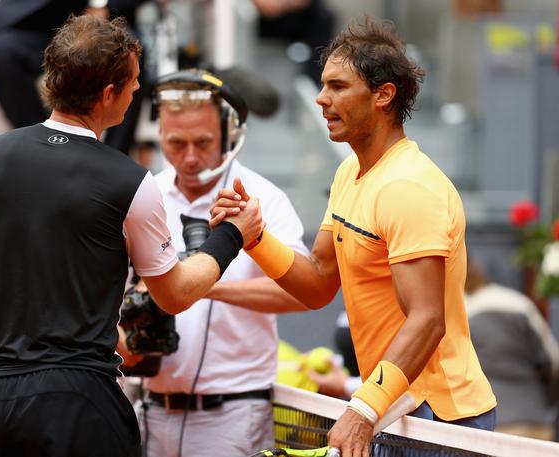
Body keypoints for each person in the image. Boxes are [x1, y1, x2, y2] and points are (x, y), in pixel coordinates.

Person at [0, 16, 262, 457]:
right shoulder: (131, 181)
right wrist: (232, 235)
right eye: (134, 84)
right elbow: (174, 293)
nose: (138, 92)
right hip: (82, 403)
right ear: (108, 95)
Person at [212, 17, 497, 456]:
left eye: (338, 87)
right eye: (324, 86)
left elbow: (427, 319)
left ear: (384, 95)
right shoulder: (350, 172)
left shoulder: (408, 187)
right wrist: (256, 237)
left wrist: (362, 408)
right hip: (393, 408)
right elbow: (320, 283)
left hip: (439, 419)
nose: (322, 99)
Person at [124, 69, 308, 457]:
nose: (189, 157)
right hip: (149, 409)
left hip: (236, 414)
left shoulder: (264, 198)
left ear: (229, 134)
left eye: (203, 142)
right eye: (176, 142)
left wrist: (196, 285)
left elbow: (303, 293)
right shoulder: (143, 195)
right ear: (160, 135)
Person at [0, 0, 146, 153]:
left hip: (105, 18)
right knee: (1, 53)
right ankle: (47, 145)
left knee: (130, 54)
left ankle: (113, 160)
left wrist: (99, 3)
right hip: (40, 22)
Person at [465, 256, 559, 440]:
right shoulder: (519, 303)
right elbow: (553, 363)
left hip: (485, 426)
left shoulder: (456, 313)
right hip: (534, 421)